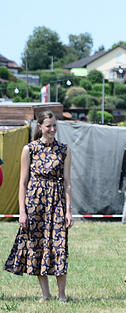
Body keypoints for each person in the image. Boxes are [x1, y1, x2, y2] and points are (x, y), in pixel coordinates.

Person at [5, 111, 73, 301]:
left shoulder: (64, 150)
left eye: (54, 125)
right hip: (35, 203)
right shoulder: (29, 149)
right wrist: (22, 212)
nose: (52, 129)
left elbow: (68, 182)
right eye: (48, 126)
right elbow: (23, 183)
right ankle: (45, 294)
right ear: (39, 126)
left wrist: (68, 210)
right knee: (37, 246)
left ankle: (61, 295)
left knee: (59, 246)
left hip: (57, 202)